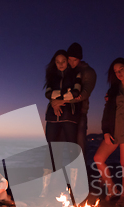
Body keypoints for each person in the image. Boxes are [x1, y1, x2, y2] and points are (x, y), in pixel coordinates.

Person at [93, 58, 124, 203]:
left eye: (121, 69)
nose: (118, 73)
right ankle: (112, 188)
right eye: (116, 71)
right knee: (98, 158)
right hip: (113, 130)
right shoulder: (113, 90)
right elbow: (107, 112)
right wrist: (105, 131)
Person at [41, 50, 82, 196]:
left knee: (72, 149)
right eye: (57, 62)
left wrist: (57, 100)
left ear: (67, 61)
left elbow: (76, 93)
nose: (60, 64)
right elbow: (47, 93)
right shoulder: (52, 77)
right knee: (51, 150)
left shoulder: (75, 74)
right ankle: (46, 188)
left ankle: (74, 187)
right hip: (52, 116)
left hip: (69, 116)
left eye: (63, 61)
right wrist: (58, 99)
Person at [51, 42, 96, 159]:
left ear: (80, 59)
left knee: (79, 146)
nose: (71, 63)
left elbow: (84, 94)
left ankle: (80, 175)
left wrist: (60, 101)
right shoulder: (66, 71)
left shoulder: (88, 72)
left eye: (74, 60)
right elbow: (56, 90)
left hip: (80, 112)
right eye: (69, 59)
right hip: (65, 112)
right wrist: (54, 103)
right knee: (59, 145)